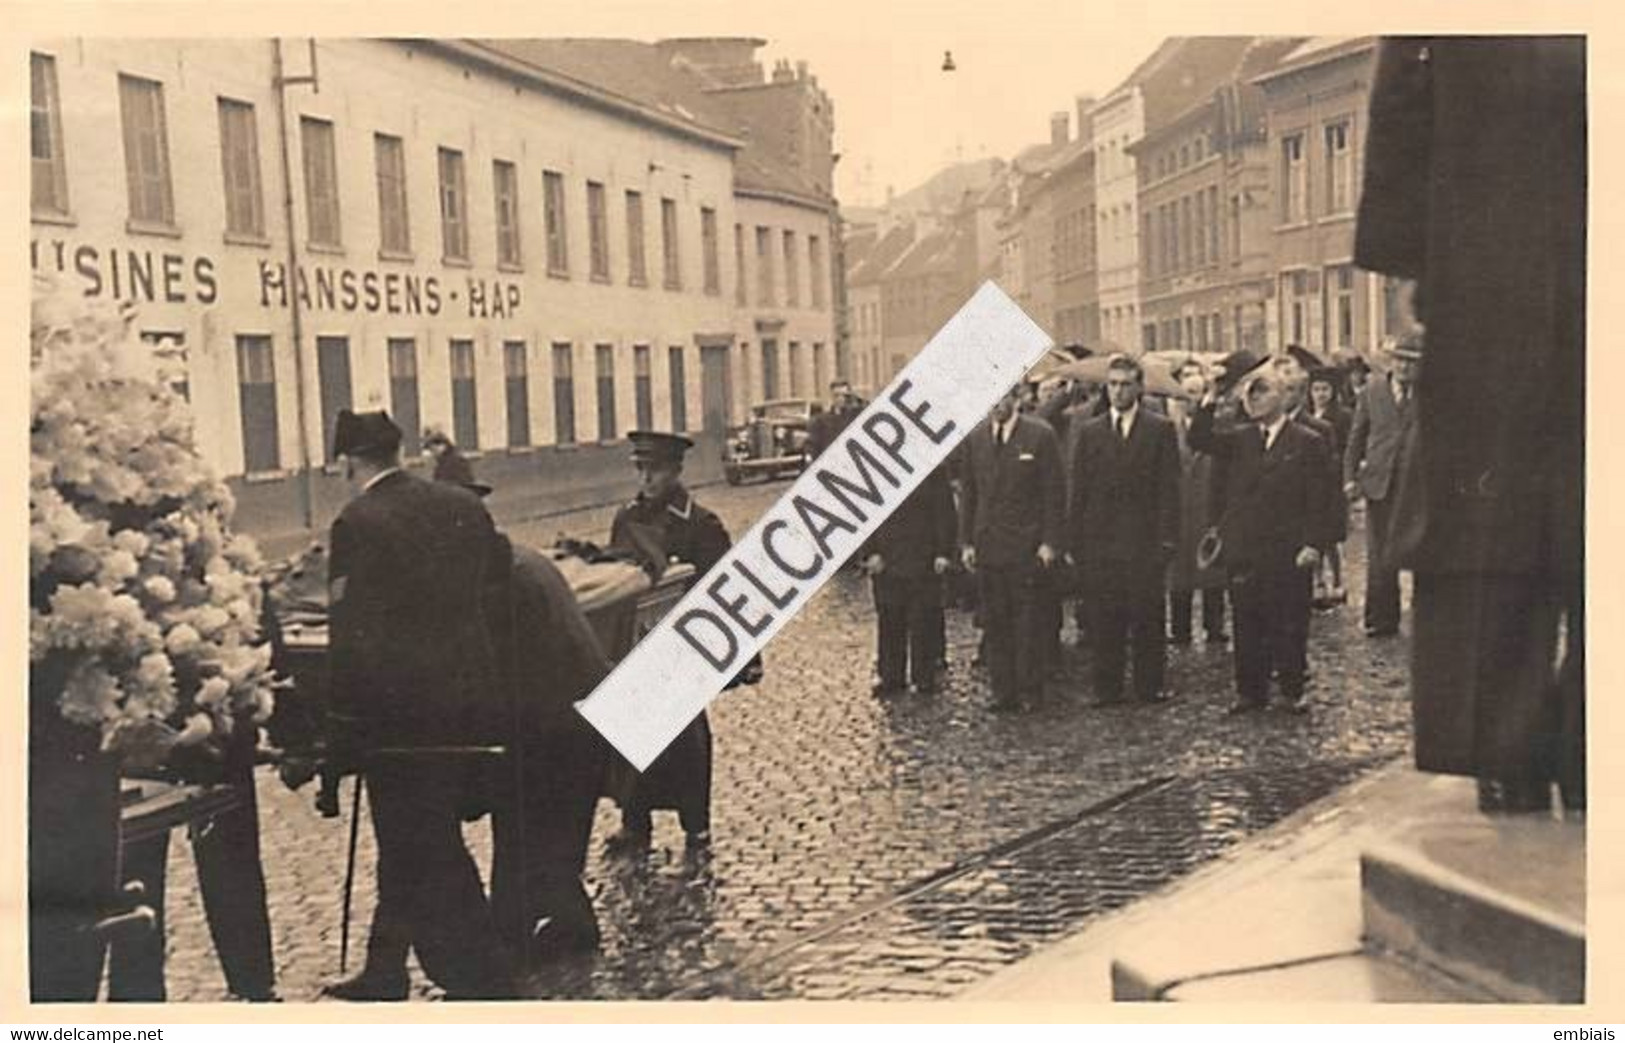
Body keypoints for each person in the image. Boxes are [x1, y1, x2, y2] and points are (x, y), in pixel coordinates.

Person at [1355, 36, 1584, 813]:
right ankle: (1542, 747)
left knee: (1509, 510)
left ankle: (1523, 746)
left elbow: (1400, 99)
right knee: (1514, 511)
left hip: (1492, 241)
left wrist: (1407, 262)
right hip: (1495, 231)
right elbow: (1403, 91)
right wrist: (1409, 261)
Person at [322, 409, 515, 1000]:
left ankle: (481, 975)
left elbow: (349, 632)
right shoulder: (462, 505)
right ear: (400, 452)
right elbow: (500, 576)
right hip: (469, 701)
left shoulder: (356, 521)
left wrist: (340, 728)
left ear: (350, 461)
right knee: (415, 835)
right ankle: (386, 967)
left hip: (400, 717)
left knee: (420, 841)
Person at [603, 430, 759, 854]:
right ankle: (634, 821)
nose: (647, 479)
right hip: (634, 646)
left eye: (655, 470)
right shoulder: (625, 519)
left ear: (675, 472)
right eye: (641, 470)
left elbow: (726, 588)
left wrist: (742, 654)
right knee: (631, 733)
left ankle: (696, 823)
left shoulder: (700, 524)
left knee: (686, 736)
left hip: (681, 646)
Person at [1187, 370, 1339, 715]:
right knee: (1246, 621)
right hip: (1246, 548)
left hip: (1288, 550)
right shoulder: (1241, 439)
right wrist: (1210, 397)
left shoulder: (1307, 441)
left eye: (1262, 392)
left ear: (1285, 396)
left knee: (1288, 622)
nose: (1253, 399)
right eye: (1250, 394)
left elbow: (1321, 499)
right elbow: (1199, 439)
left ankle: (1291, 689)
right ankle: (1249, 692)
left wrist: (1313, 544)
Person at [1067, 355, 1181, 705]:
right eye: (1113, 384)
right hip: (1102, 544)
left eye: (1125, 384)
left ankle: (1150, 685)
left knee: (1147, 616)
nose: (1118, 391)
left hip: (1144, 541)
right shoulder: (1090, 432)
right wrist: (1076, 542)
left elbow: (1169, 489)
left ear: (1139, 388)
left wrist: (1166, 540)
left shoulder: (1159, 429)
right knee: (1105, 618)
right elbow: (1080, 490)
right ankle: (1107, 687)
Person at [957, 386, 1064, 712]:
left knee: (1028, 622)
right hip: (989, 546)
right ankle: (1004, 692)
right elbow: (969, 493)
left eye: (1002, 397)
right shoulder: (976, 439)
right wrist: (966, 542)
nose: (996, 405)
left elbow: (1054, 493)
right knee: (996, 621)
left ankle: (1031, 689)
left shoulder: (1039, 435)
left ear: (1016, 398)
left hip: (1026, 547)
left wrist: (1050, 541)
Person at [1343, 334, 1422, 637]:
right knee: (1380, 555)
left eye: (1411, 362)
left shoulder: (1430, 394)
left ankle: (1422, 617)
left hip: (1417, 487)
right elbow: (1356, 439)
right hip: (1380, 485)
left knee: (1421, 550)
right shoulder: (1371, 391)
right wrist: (1349, 478)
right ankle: (1380, 618)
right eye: (1400, 360)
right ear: (1390, 361)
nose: (1404, 367)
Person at [861, 465, 956, 696]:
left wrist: (944, 552)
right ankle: (891, 676)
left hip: (923, 555)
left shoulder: (932, 468)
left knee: (923, 618)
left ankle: (924, 676)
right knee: (889, 617)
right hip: (886, 557)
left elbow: (944, 511)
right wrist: (869, 552)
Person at [1166, 359, 1228, 647]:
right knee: (1179, 573)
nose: (1190, 400)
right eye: (1186, 393)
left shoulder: (1213, 430)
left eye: (1196, 393)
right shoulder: (1168, 430)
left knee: (1212, 569)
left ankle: (1214, 626)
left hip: (1207, 506)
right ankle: (1180, 630)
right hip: (1179, 508)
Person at [1308, 366, 1354, 608]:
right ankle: (1317, 580)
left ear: (1333, 391)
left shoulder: (1342, 416)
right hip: (1311, 481)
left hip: (1332, 482)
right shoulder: (1307, 414)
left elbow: (1348, 447)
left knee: (1331, 536)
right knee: (1313, 534)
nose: (1320, 394)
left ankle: (1337, 579)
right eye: (1316, 389)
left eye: (1325, 389)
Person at [424, 427, 490, 496]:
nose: (433, 454)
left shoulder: (454, 461)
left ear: (442, 445)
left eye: (433, 450)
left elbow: (459, 485)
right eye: (431, 451)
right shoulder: (444, 463)